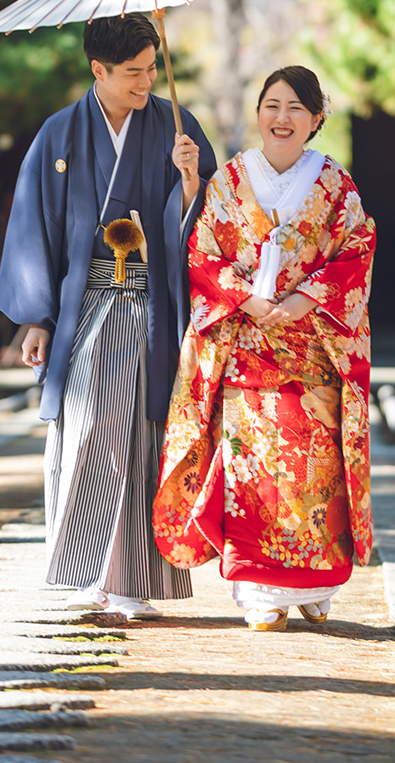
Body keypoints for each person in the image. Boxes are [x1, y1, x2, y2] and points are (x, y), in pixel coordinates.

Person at [0, 11, 216, 620]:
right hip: (85, 307)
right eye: (133, 73)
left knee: (145, 436)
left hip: (153, 305)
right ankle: (91, 572)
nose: (147, 84)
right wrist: (36, 318)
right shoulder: (59, 135)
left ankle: (137, 581)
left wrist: (193, 183)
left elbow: (213, 224)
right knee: (89, 428)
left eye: (151, 70)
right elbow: (34, 226)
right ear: (100, 69)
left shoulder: (177, 127)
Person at [152, 65, 375, 631]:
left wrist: (304, 301)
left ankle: (315, 583)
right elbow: (203, 253)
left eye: (296, 108)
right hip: (248, 349)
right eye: (272, 105)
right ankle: (257, 590)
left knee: (312, 470)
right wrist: (249, 301)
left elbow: (356, 249)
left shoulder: (335, 183)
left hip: (311, 352)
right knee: (251, 472)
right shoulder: (227, 180)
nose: (282, 118)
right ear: (258, 114)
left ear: (317, 119)